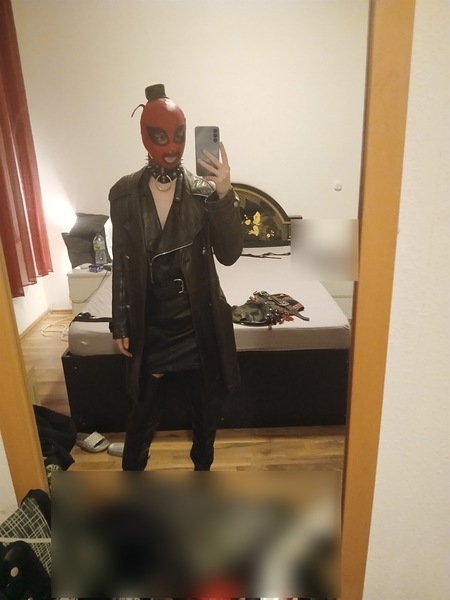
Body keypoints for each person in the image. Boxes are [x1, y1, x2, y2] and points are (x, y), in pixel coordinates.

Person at [109, 84, 243, 471]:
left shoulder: (204, 192)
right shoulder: (124, 194)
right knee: (141, 417)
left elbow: (230, 254)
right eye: (160, 136)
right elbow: (122, 263)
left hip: (196, 326)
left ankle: (202, 483)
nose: (172, 147)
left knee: (205, 417)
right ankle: (131, 489)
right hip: (151, 323)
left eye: (179, 135)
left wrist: (224, 193)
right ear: (145, 136)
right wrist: (121, 321)